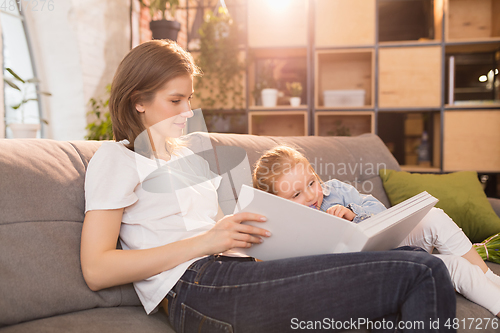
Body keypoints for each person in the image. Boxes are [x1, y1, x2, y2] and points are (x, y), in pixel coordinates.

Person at [81, 39, 457, 333]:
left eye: (190, 99)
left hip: (236, 271)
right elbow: (97, 268)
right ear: (138, 103)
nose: (188, 112)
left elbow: (221, 232)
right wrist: (207, 242)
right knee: (424, 272)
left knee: (410, 282)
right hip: (197, 288)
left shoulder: (187, 160)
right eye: (175, 100)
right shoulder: (117, 159)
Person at [252, 144, 500, 317]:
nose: (310, 195)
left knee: (434, 217)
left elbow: (380, 211)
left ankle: (490, 279)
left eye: (311, 182)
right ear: (278, 203)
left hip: (388, 243)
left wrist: (353, 213)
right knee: (456, 266)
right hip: (378, 269)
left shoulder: (334, 190)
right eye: (296, 194)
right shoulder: (285, 231)